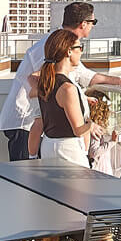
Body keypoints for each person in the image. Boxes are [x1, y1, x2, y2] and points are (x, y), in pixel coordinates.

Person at [0, 2, 121, 161]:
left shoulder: (66, 46)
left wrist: (117, 81)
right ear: (83, 24)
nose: (93, 27)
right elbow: (40, 79)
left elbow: (83, 76)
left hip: (44, 128)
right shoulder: (54, 44)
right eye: (93, 22)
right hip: (25, 122)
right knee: (24, 178)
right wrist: (74, 100)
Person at [35, 30, 94, 165]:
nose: (81, 52)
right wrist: (91, 124)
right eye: (79, 47)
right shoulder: (68, 88)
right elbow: (78, 130)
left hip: (48, 146)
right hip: (68, 150)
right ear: (68, 51)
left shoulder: (46, 82)